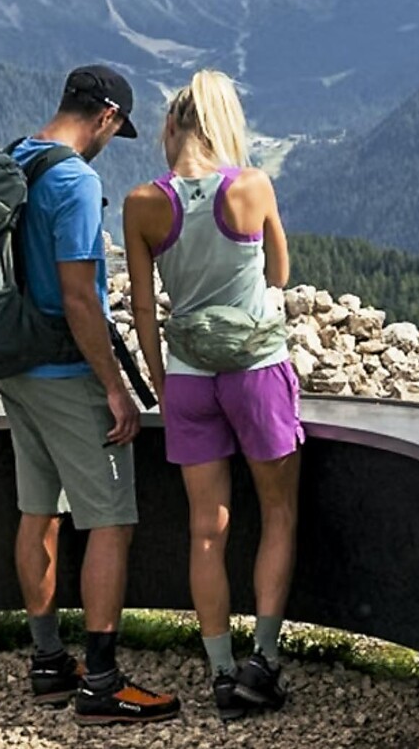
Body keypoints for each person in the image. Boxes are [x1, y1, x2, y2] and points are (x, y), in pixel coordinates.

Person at [0, 64, 181, 725]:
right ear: (105, 116)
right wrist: (115, 388)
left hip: (14, 366)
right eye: (116, 129)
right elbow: (80, 296)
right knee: (109, 519)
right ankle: (101, 684)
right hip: (65, 374)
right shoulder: (74, 179)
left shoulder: (16, 156)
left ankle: (49, 663)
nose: (113, 140)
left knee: (37, 509)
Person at [125, 69, 301, 720]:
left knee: (207, 530)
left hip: (190, 377)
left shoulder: (143, 201)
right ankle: (265, 661)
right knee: (278, 513)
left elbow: (144, 307)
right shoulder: (251, 185)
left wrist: (162, 382)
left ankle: (223, 675)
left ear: (172, 127)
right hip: (256, 371)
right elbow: (280, 272)